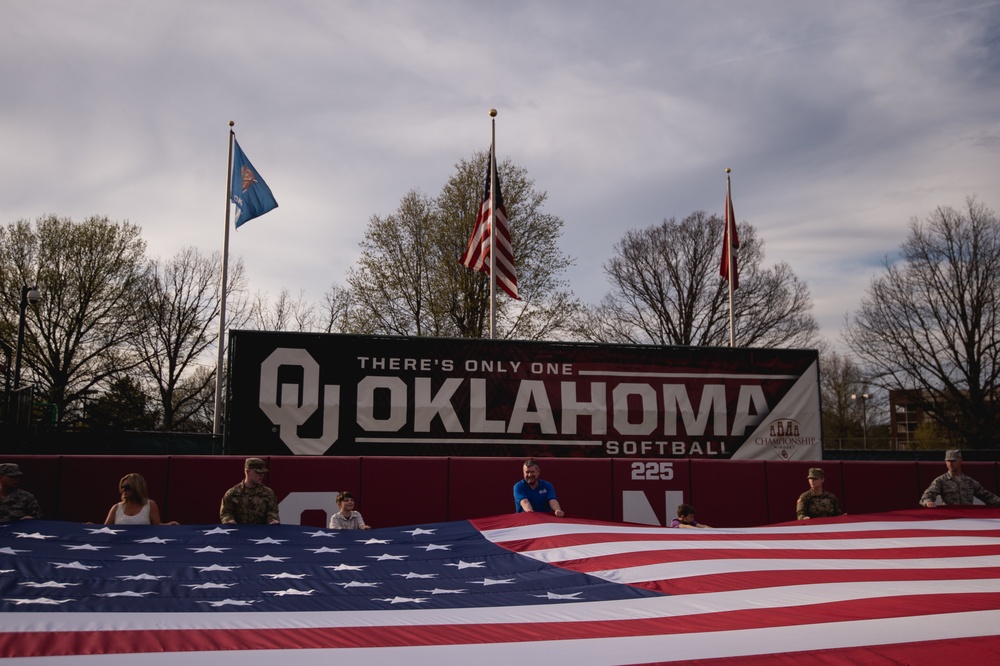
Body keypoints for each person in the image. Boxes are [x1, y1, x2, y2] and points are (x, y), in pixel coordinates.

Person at [920, 450, 1000, 507]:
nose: (950, 464)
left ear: (960, 461)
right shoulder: (941, 481)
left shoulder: (969, 482)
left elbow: (986, 496)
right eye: (948, 461)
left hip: (969, 517)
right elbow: (929, 494)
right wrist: (928, 501)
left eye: (953, 461)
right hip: (950, 518)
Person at [219, 458, 280, 525]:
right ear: (247, 472)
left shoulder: (268, 493)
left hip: (261, 532)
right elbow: (226, 512)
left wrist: (273, 520)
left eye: (263, 473)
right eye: (258, 472)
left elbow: (272, 511)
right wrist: (229, 520)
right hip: (240, 532)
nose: (262, 475)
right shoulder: (233, 493)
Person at [103, 472, 176, 525]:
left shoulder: (150, 505)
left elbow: (157, 526)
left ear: (137, 488)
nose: (123, 490)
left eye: (127, 487)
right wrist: (92, 526)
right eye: (122, 487)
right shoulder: (116, 508)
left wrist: (168, 525)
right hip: (121, 544)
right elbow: (105, 529)